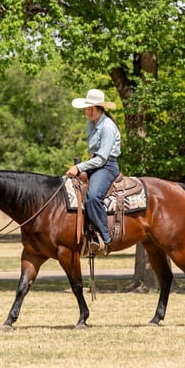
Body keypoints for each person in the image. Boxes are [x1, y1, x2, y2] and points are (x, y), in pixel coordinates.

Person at [65, 88, 122, 255]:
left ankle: (106, 238)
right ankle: (86, 233)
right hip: (94, 164)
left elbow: (102, 158)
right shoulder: (91, 125)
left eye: (90, 108)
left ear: (99, 108)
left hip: (107, 166)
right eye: (86, 108)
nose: (87, 111)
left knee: (93, 197)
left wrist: (79, 167)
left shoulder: (108, 127)